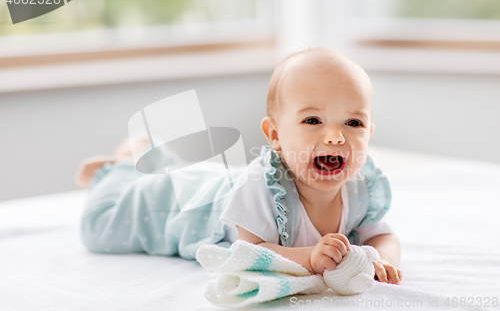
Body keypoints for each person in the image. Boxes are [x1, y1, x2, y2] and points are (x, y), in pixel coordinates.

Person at [75, 46, 402, 285]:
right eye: (313, 120)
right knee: (100, 225)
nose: (335, 137)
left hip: (221, 181)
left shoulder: (362, 188)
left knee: (182, 174)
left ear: (369, 132)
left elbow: (383, 236)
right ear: (275, 134)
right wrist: (308, 258)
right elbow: (249, 252)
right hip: (189, 206)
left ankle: (154, 153)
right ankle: (121, 166)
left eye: (353, 122)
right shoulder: (261, 187)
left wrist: (383, 260)